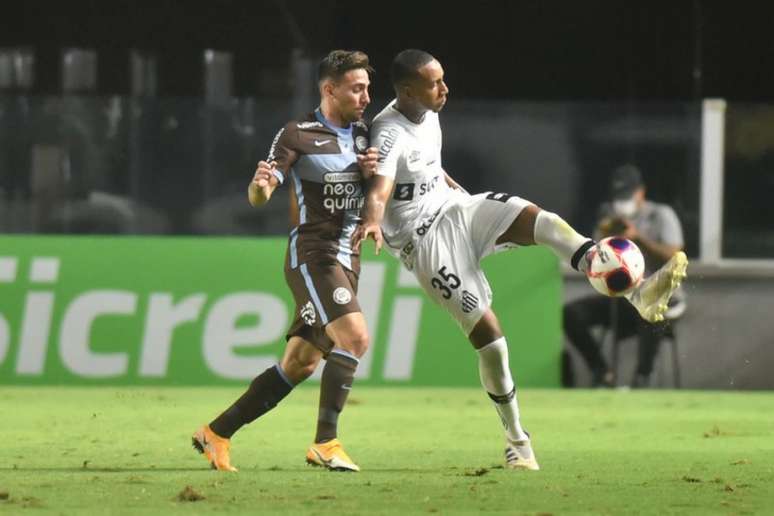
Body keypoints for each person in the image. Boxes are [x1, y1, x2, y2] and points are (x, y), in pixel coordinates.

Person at [353, 49, 688, 470]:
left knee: (540, 219)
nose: (445, 88)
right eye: (434, 83)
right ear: (406, 90)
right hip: (425, 245)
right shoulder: (388, 134)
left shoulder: (429, 112)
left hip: (457, 209)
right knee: (491, 341)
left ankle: (634, 293)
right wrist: (370, 221)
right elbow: (381, 190)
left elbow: (430, 169)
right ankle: (517, 439)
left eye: (443, 79)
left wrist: (457, 190)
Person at [192, 49, 379, 472]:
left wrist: (372, 178)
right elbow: (261, 192)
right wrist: (259, 187)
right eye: (357, 88)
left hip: (348, 259)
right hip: (314, 256)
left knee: (300, 363)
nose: (366, 97)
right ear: (330, 89)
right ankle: (326, 443)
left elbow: (376, 189)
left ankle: (216, 432)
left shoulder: (366, 136)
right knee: (355, 337)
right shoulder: (297, 134)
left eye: (368, 88)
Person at [563, 164, 687, 388]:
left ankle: (643, 377)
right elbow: (593, 263)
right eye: (619, 196)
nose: (623, 202)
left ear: (641, 192)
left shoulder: (661, 215)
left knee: (648, 310)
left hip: (661, 297)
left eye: (627, 195)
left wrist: (637, 238)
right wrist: (605, 239)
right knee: (571, 314)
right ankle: (602, 373)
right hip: (621, 296)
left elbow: (675, 257)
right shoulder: (610, 217)